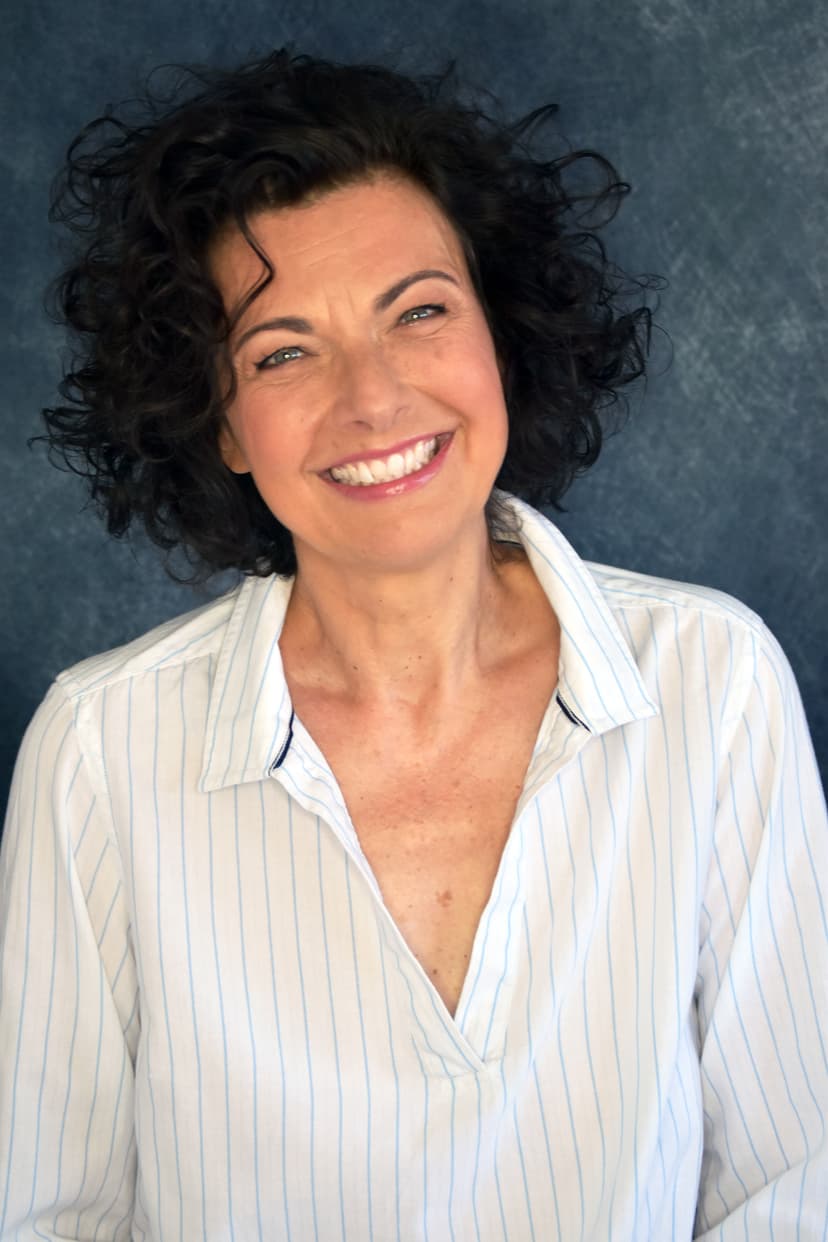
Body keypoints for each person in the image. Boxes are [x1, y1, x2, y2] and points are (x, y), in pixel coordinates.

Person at [0, 47, 825, 1242]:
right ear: (218, 421)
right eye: (284, 351)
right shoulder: (99, 749)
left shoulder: (716, 682)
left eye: (420, 312)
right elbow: (46, 1217)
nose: (374, 399)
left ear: (501, 333)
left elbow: (795, 1187)